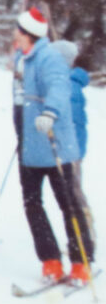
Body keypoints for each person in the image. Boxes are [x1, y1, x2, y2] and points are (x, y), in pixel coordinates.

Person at [12, 9, 95, 285]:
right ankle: (50, 260)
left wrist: (50, 111)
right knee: (32, 204)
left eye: (18, 30)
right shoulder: (21, 60)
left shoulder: (50, 58)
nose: (14, 35)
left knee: (68, 205)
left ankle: (81, 262)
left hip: (55, 144)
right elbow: (19, 100)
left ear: (28, 34)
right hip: (30, 147)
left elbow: (59, 88)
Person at [51, 39, 95, 249]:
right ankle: (82, 235)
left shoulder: (68, 86)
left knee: (74, 192)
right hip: (69, 147)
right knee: (71, 191)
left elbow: (72, 121)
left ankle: (86, 236)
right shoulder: (68, 82)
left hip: (72, 149)